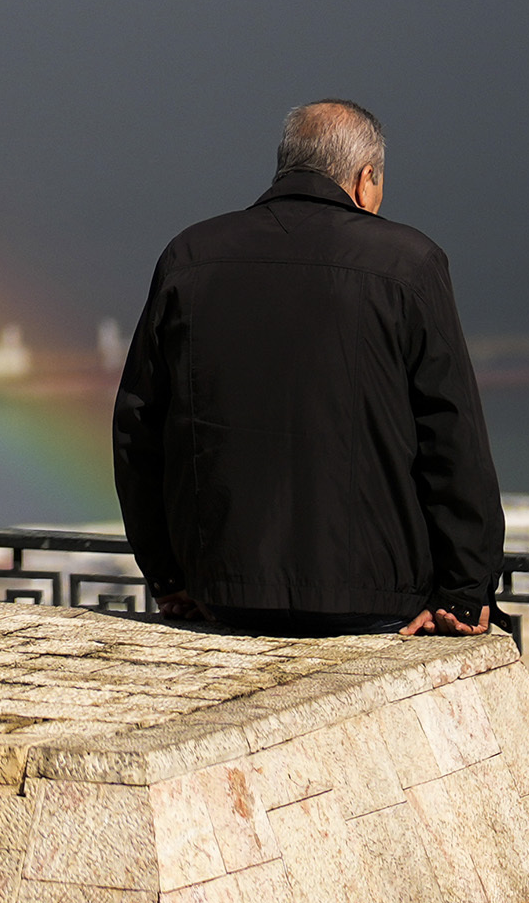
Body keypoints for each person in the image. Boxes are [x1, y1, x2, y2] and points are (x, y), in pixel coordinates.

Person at [109, 98, 507, 635]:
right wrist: (463, 591)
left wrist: (166, 576)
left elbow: (138, 431)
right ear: (366, 178)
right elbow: (452, 436)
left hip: (223, 595)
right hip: (376, 598)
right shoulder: (409, 264)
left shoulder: (189, 257)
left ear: (286, 167)